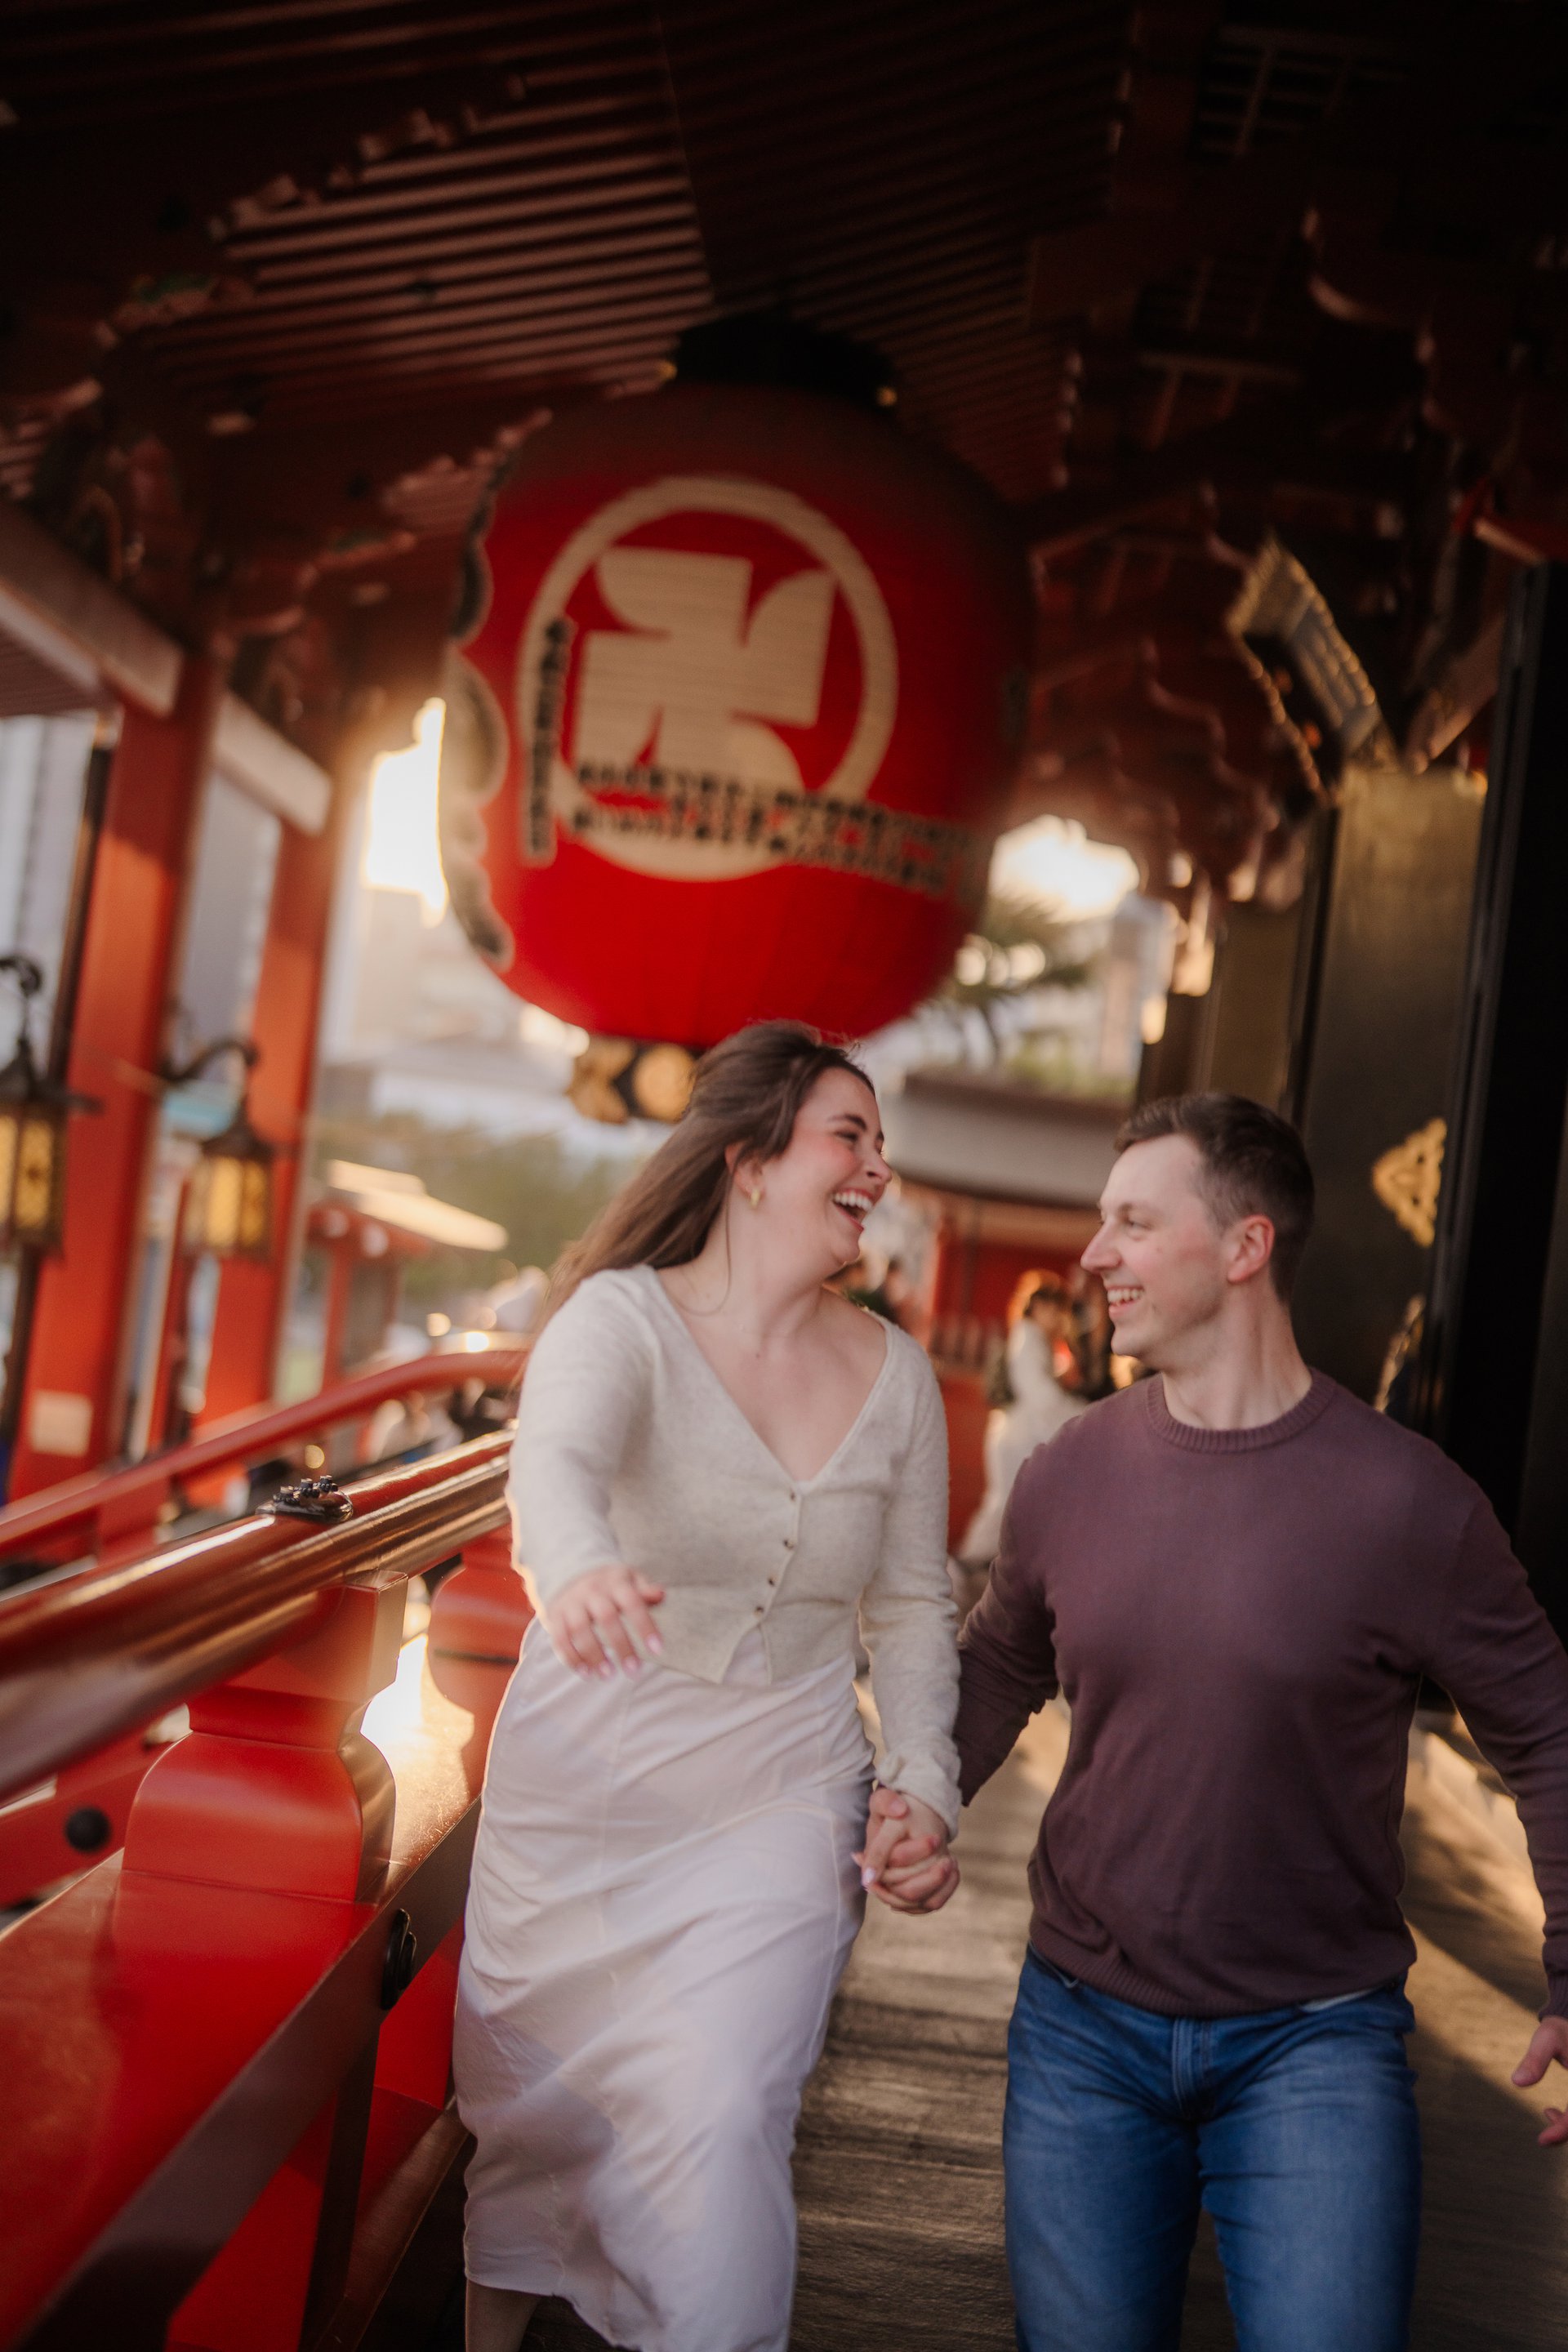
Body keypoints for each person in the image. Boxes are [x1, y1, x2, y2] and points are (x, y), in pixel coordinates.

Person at [862, 1091, 1568, 2352]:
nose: (1095, 1255)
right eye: (1102, 1222)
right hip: (1081, 2032)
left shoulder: (1410, 1505)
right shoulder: (1070, 1475)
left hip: (1318, 2047)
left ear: (1246, 1247)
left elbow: (1549, 1734)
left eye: (1134, 1223)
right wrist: (920, 1797)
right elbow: (1002, 1664)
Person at [453, 1022, 961, 2352]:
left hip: (785, 1782)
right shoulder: (620, 1318)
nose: (878, 1169)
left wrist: (924, 1780)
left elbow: (913, 1605)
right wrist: (576, 1569)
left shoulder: (898, 1377)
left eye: (881, 1144)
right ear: (749, 1161)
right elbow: (555, 1466)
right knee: (537, 2111)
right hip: (591, 1779)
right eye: (849, 1136)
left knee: (728, 2109)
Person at [957, 1272, 1085, 1567]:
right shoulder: (1029, 1338)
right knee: (1003, 1507)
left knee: (1006, 1506)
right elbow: (1041, 1396)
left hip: (1015, 1434)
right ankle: (964, 1566)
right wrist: (1084, 1412)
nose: (1059, 1318)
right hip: (1017, 1438)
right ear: (1039, 1307)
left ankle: (969, 1565)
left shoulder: (1029, 1337)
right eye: (1055, 1309)